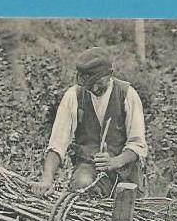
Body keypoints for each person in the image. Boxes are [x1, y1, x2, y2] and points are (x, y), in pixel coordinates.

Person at [31, 47, 148, 198]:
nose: (94, 88)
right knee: (82, 184)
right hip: (88, 168)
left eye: (98, 82)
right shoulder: (74, 96)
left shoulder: (128, 95)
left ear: (109, 75)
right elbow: (57, 144)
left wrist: (114, 162)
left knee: (127, 204)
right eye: (89, 83)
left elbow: (138, 145)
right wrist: (46, 179)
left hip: (125, 171)